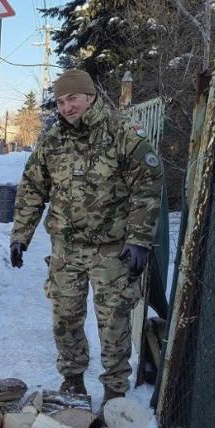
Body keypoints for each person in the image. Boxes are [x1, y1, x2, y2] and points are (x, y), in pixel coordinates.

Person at [9, 69, 164, 404]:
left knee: (113, 323)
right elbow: (32, 188)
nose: (67, 107)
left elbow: (147, 185)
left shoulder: (121, 132)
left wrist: (138, 239)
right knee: (65, 319)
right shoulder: (53, 141)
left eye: (73, 98)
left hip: (111, 251)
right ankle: (73, 381)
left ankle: (114, 390)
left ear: (90, 95)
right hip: (66, 250)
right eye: (62, 101)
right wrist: (20, 235)